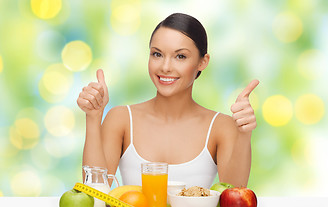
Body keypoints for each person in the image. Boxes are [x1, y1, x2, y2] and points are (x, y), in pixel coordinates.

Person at [77, 13, 259, 188]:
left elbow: (234, 198)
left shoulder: (221, 126)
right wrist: (93, 117)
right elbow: (95, 197)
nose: (165, 67)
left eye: (180, 56)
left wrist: (244, 134)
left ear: (203, 62)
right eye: (157, 54)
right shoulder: (121, 119)